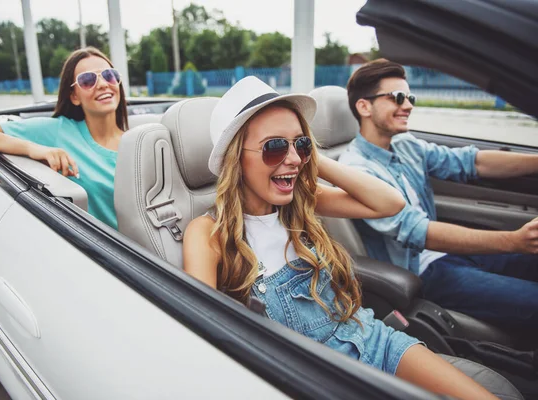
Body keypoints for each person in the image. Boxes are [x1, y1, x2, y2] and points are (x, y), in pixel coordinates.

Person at [183, 76, 498, 399]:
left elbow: (390, 203)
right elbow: (202, 328)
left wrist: (309, 161)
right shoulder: (208, 232)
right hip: (314, 374)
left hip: (372, 338)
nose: (292, 157)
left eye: (301, 143)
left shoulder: (302, 200)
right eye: (274, 146)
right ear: (235, 158)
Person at [339, 58, 538, 331]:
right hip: (422, 272)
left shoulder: (406, 145)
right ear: (364, 106)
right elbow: (420, 231)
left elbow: (472, 162)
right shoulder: (355, 170)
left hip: (446, 253)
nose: (408, 105)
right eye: (397, 97)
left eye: (410, 97)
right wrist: (513, 241)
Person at [0, 46, 128, 230]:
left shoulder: (141, 143)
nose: (103, 84)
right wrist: (33, 148)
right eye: (87, 80)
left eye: (109, 75)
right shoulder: (58, 130)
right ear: (74, 96)